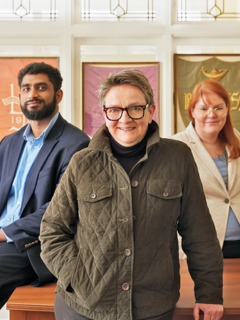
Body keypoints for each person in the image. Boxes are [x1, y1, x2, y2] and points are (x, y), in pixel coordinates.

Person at [40, 70, 223, 320]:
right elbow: (52, 230)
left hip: (152, 306)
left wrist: (209, 294)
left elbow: (199, 232)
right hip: (83, 306)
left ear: (150, 110)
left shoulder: (178, 157)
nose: (124, 119)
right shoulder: (81, 162)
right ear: (104, 113)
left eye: (135, 108)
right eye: (114, 110)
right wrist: (77, 276)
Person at [0, 62, 90, 309]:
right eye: (26, 88)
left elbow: (61, 209)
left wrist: (4, 233)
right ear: (19, 95)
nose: (33, 94)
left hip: (33, 246)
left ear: (58, 95)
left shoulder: (77, 144)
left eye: (41, 87)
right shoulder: (9, 143)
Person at [173, 79, 240, 259]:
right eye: (203, 108)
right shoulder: (176, 147)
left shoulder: (237, 140)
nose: (212, 114)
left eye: (218, 107)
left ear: (227, 109)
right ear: (192, 111)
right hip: (202, 247)